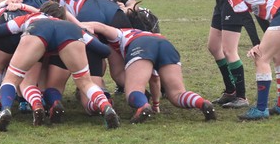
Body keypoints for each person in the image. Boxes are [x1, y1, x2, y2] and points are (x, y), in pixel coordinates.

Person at [0, 1, 120, 132]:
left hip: (38, 30)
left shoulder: (31, 17)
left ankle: (6, 109)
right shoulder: (71, 25)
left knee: (12, 78)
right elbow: (104, 50)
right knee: (85, 82)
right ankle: (106, 106)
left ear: (42, 11)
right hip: (70, 33)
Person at [82, 21, 216, 124]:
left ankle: (143, 106)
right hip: (166, 44)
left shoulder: (121, 33)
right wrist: (156, 105)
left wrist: (80, 24)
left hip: (141, 45)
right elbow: (154, 79)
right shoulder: (149, 34)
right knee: (177, 94)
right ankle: (201, 103)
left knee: (133, 91)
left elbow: (103, 27)